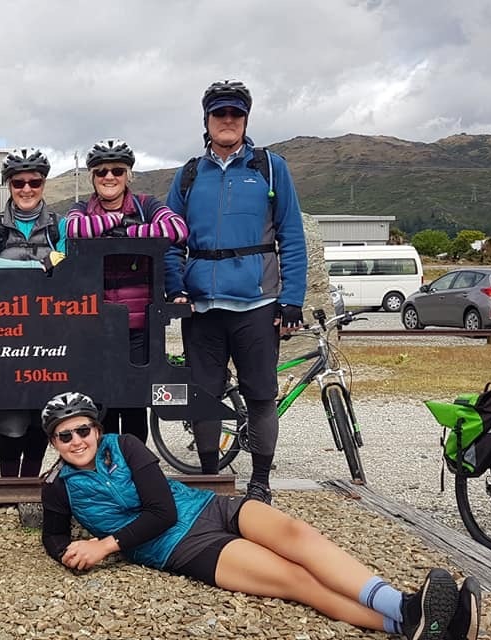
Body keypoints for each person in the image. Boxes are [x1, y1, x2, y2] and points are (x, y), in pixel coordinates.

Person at [37, 391, 481, 640]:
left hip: (209, 509)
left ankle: (402, 604)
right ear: (53, 442)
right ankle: (407, 622)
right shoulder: (57, 485)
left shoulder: (126, 446)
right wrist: (71, 554)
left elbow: (162, 509)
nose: (77, 440)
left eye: (83, 429)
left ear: (97, 427)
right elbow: (53, 537)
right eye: (64, 435)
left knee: (298, 534)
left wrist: (105, 545)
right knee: (294, 580)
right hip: (181, 548)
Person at [164, 80, 308, 504]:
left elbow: (292, 235)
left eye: (236, 114)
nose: (228, 121)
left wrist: (292, 298)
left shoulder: (269, 168)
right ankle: (210, 481)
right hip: (203, 307)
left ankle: (260, 482)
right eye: (220, 114)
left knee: (260, 395)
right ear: (207, 121)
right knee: (203, 398)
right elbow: (171, 238)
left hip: (257, 305)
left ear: (246, 120)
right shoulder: (189, 174)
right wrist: (175, 287)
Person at [65, 139, 188, 445]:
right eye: (101, 171)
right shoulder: (81, 208)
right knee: (100, 407)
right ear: (92, 177)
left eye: (117, 170)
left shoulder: (147, 206)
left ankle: (135, 472)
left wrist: (129, 233)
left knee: (134, 406)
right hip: (96, 326)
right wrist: (116, 220)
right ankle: (105, 476)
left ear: (128, 174)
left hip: (138, 327)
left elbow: (176, 229)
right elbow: (72, 230)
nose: (109, 177)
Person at [0, 147, 67, 477]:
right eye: (18, 183)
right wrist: (40, 265)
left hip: (50, 333)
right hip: (6, 333)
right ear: (8, 186)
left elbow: (70, 266)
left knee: (43, 413)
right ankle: (7, 484)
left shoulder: (61, 225)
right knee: (11, 417)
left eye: (35, 182)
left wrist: (15, 267)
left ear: (43, 184)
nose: (27, 189)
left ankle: (28, 485)